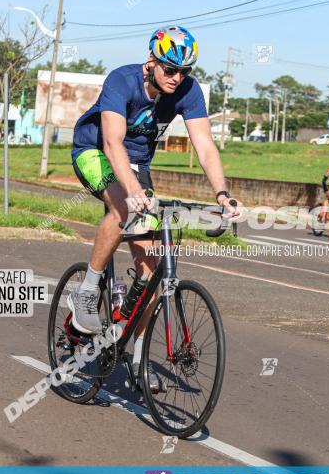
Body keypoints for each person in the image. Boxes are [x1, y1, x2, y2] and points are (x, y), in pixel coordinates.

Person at [67, 25, 240, 380]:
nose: (177, 78)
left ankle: (137, 357)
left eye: (184, 71)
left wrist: (222, 194)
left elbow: (205, 147)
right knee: (124, 208)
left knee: (151, 271)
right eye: (170, 69)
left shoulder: (188, 92)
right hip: (95, 152)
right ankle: (87, 291)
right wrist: (132, 191)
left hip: (138, 165)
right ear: (151, 61)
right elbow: (113, 143)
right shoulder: (122, 80)